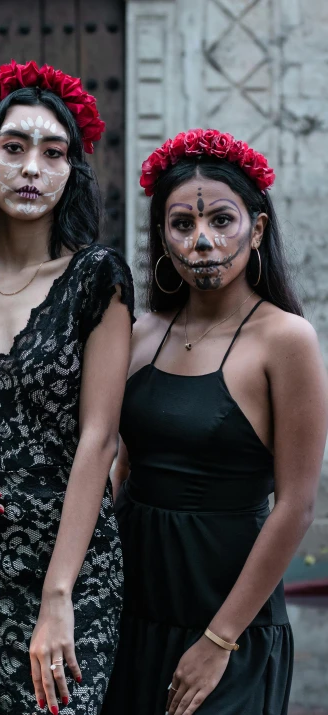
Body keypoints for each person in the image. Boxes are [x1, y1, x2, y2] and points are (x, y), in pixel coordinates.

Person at [0, 60, 135, 715]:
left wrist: (58, 595)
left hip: (69, 564)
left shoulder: (98, 278)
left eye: (54, 151)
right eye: (14, 148)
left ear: (72, 170)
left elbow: (99, 439)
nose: (33, 167)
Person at [102, 129, 328, 715]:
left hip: (228, 617)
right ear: (163, 238)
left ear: (255, 229)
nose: (202, 240)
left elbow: (297, 505)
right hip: (132, 606)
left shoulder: (285, 340)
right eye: (182, 225)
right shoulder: (141, 332)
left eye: (221, 221)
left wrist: (219, 640)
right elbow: (122, 465)